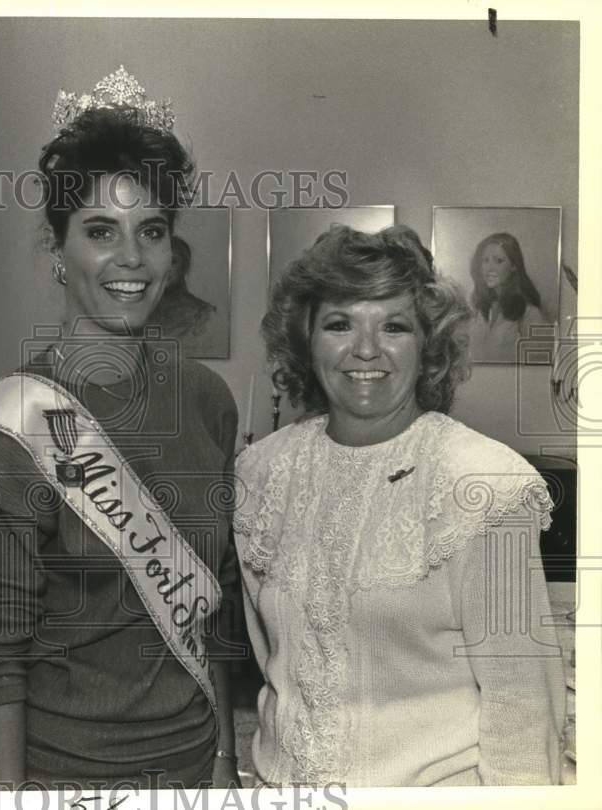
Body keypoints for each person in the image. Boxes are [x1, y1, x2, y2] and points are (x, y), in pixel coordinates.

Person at [0, 66, 241, 789]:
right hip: (67, 780)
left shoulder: (207, 400)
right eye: (100, 230)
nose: (131, 258)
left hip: (198, 768)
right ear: (56, 252)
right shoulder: (6, 433)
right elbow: (0, 660)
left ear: (174, 253)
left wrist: (227, 763)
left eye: (152, 231)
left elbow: (212, 617)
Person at [235, 224, 565, 786]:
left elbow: (523, 706)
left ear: (428, 345)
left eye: (394, 326)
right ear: (306, 339)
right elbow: (273, 659)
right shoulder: (261, 471)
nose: (366, 349)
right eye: (339, 324)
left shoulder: (485, 484)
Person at [468, 232, 548, 362]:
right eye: (485, 261)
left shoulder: (530, 314)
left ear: (514, 266)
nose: (489, 268)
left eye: (498, 261)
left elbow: (539, 367)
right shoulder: (475, 309)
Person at [149, 235, 216, 339]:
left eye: (172, 262)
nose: (165, 269)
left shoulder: (203, 314)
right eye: (159, 262)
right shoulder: (139, 311)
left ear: (185, 265)